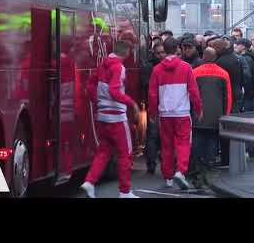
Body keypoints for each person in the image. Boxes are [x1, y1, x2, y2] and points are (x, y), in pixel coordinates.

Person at [80, 41, 141, 198]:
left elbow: (90, 86)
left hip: (102, 116)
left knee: (104, 151)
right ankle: (125, 192)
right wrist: (132, 103)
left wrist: (98, 102)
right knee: (125, 154)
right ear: (126, 52)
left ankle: (90, 181)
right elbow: (115, 91)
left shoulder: (103, 65)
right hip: (117, 117)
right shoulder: (119, 68)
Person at [148, 37, 202, 189]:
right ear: (177, 48)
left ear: (164, 49)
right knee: (184, 143)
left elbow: (152, 94)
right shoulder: (186, 67)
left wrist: (152, 113)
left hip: (165, 114)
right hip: (182, 113)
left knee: (166, 146)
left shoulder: (157, 69)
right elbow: (193, 91)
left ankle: (168, 177)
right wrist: (198, 109)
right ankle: (181, 171)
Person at [191, 47, 232, 187]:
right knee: (212, 143)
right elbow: (228, 97)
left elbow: (190, 95)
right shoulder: (224, 74)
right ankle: (208, 171)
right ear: (215, 58)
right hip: (216, 117)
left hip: (198, 116)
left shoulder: (194, 72)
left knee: (197, 142)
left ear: (203, 57)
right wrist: (225, 116)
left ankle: (197, 172)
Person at [209, 37, 242, 167]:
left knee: (225, 130)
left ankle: (226, 159)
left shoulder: (221, 62)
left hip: (227, 97)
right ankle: (230, 158)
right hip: (235, 94)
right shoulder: (235, 58)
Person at [142, 43, 166, 174]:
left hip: (165, 105)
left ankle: (163, 162)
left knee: (161, 136)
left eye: (163, 52)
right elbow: (146, 85)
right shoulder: (149, 67)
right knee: (153, 135)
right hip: (155, 105)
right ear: (154, 53)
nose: (161, 55)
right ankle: (151, 164)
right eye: (158, 53)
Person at [234, 38, 254, 112]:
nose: (235, 46)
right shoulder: (245, 57)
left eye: (237, 44)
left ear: (243, 47)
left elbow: (247, 76)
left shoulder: (246, 59)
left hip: (246, 92)